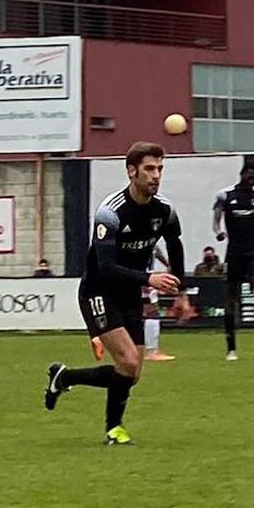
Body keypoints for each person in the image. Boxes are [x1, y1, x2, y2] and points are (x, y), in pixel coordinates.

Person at [43, 141, 186, 445]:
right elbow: (106, 267)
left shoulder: (164, 210)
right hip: (98, 290)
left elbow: (175, 246)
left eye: (160, 168)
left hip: (129, 293)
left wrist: (181, 293)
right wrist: (150, 278)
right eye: (149, 169)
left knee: (131, 374)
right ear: (131, 171)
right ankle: (113, 430)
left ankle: (65, 377)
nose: (156, 175)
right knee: (129, 361)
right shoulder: (111, 212)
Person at [213, 162, 254, 361]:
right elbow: (216, 219)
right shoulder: (226, 196)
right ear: (242, 176)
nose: (251, 181)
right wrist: (218, 232)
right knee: (231, 298)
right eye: (248, 177)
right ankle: (231, 348)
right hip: (234, 252)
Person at [142, 245, 177, 362]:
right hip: (144, 277)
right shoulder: (141, 241)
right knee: (151, 312)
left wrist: (167, 264)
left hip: (146, 277)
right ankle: (152, 351)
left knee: (146, 311)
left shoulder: (149, 242)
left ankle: (148, 349)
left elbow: (156, 251)